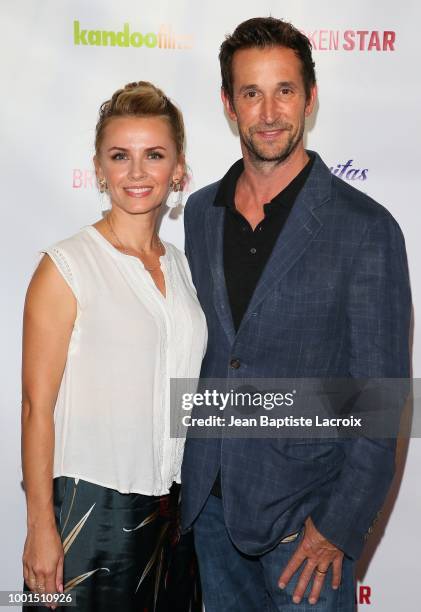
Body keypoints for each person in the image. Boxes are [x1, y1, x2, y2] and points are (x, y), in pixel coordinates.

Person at [180, 17, 411, 611]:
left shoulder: (366, 229)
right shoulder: (200, 214)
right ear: (229, 105)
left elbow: (381, 400)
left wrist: (338, 525)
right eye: (251, 93)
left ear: (310, 98)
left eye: (284, 90)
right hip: (210, 516)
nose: (270, 112)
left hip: (305, 530)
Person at [21, 81, 207, 611]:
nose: (137, 172)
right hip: (88, 512)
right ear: (99, 168)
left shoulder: (183, 267)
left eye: (154, 155)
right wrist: (41, 527)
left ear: (178, 169)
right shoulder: (66, 267)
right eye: (120, 156)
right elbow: (36, 407)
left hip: (175, 519)